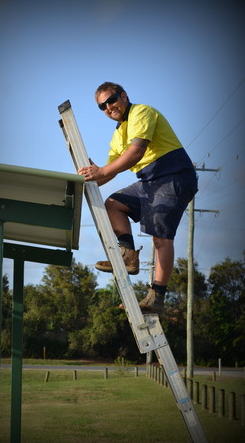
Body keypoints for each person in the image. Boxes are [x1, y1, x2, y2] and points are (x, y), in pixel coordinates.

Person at [78, 82, 198, 315]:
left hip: (174, 176)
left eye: (111, 100)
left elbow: (137, 152)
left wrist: (101, 172)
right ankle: (128, 255)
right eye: (102, 106)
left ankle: (157, 297)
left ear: (123, 96)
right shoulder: (118, 134)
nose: (108, 107)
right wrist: (84, 182)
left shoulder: (142, 112)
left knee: (161, 238)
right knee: (113, 204)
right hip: (150, 182)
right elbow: (109, 171)